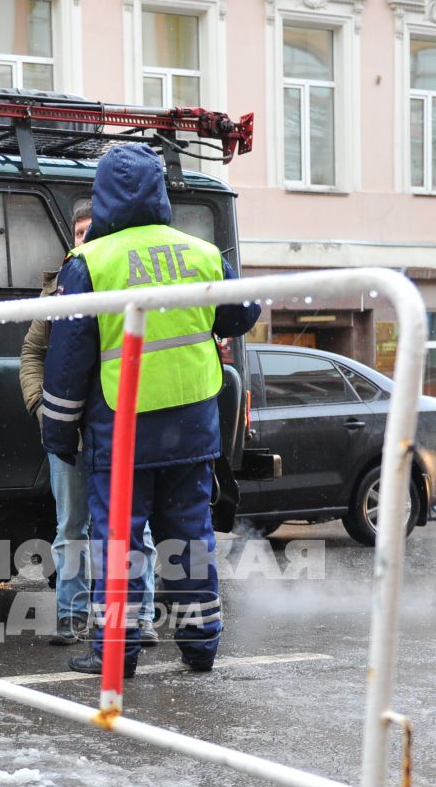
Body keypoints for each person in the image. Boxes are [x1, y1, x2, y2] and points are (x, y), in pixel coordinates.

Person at [42, 144, 260, 677]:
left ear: (104, 197)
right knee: (189, 536)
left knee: (118, 540)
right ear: (160, 193)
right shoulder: (202, 253)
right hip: (192, 424)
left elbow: (68, 361)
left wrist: (58, 432)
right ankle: (201, 644)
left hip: (122, 428)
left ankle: (114, 654)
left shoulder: (90, 263)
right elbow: (241, 315)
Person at [18, 200, 156, 646]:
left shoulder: (127, 282)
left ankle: (142, 617)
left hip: (119, 428)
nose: (87, 239)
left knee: (133, 527)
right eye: (80, 233)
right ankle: (73, 617)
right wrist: (41, 406)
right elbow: (31, 354)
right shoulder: (59, 291)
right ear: (71, 239)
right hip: (70, 433)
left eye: (93, 231)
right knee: (71, 527)